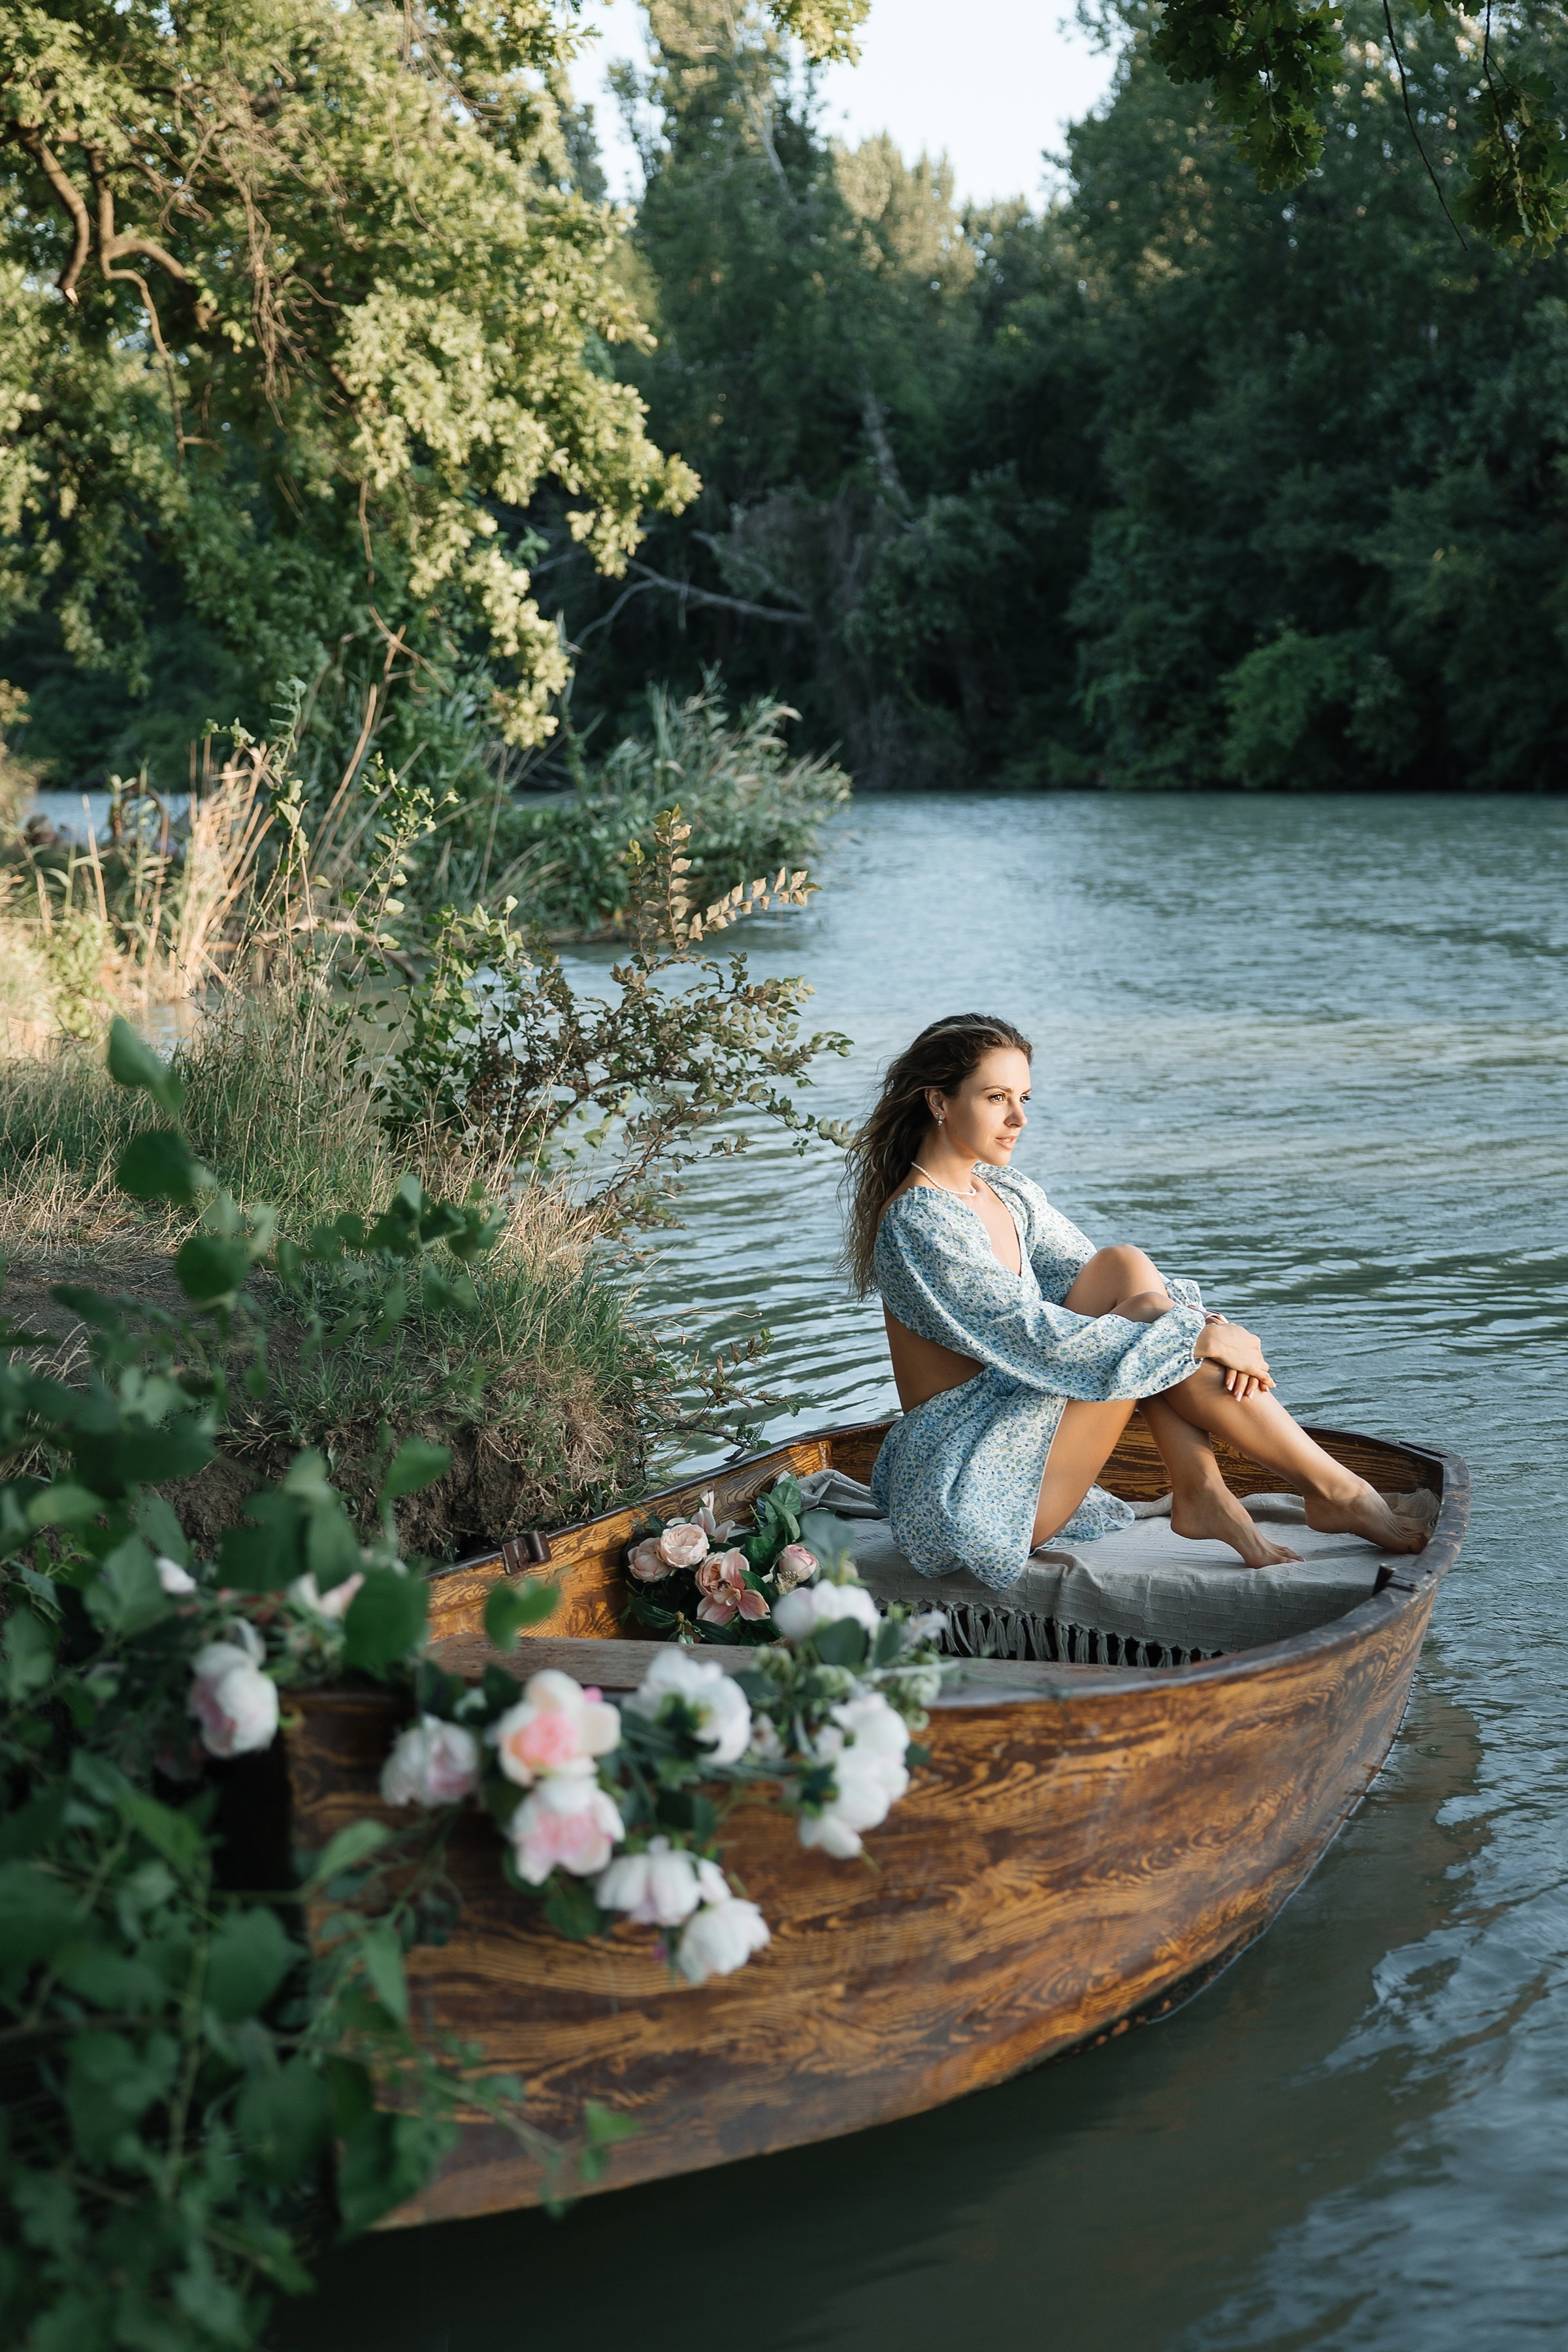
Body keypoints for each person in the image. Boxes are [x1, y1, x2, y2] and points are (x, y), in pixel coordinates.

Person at [843, 1012, 1428, 1591]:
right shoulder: (921, 1220)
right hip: (973, 1484)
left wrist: (1199, 1324)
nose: (1018, 1118)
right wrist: (1195, 1336)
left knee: (1124, 1264)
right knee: (1150, 1321)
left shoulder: (1003, 1190)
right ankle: (1335, 1491)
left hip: (1017, 1428)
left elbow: (1113, 1286)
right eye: (997, 1097)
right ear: (938, 1102)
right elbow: (1035, 1338)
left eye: (1023, 1097)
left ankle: (1206, 1492)